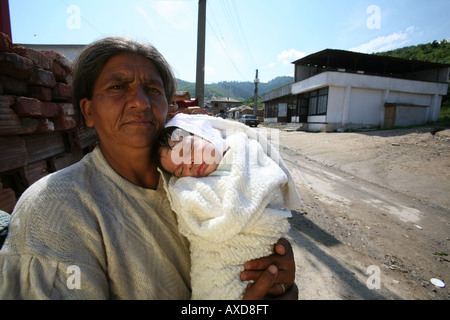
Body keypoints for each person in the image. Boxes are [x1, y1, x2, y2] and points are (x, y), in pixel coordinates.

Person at [0, 37, 298, 299]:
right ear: (88, 111)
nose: (140, 102)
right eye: (117, 87)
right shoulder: (55, 209)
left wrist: (275, 276)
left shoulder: (199, 180)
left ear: (168, 108)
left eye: (152, 90)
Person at [154, 113, 302, 299]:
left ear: (205, 134)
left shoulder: (245, 152)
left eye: (189, 150)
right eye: (180, 169)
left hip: (262, 254)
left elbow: (269, 182)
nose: (189, 164)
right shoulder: (189, 187)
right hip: (217, 268)